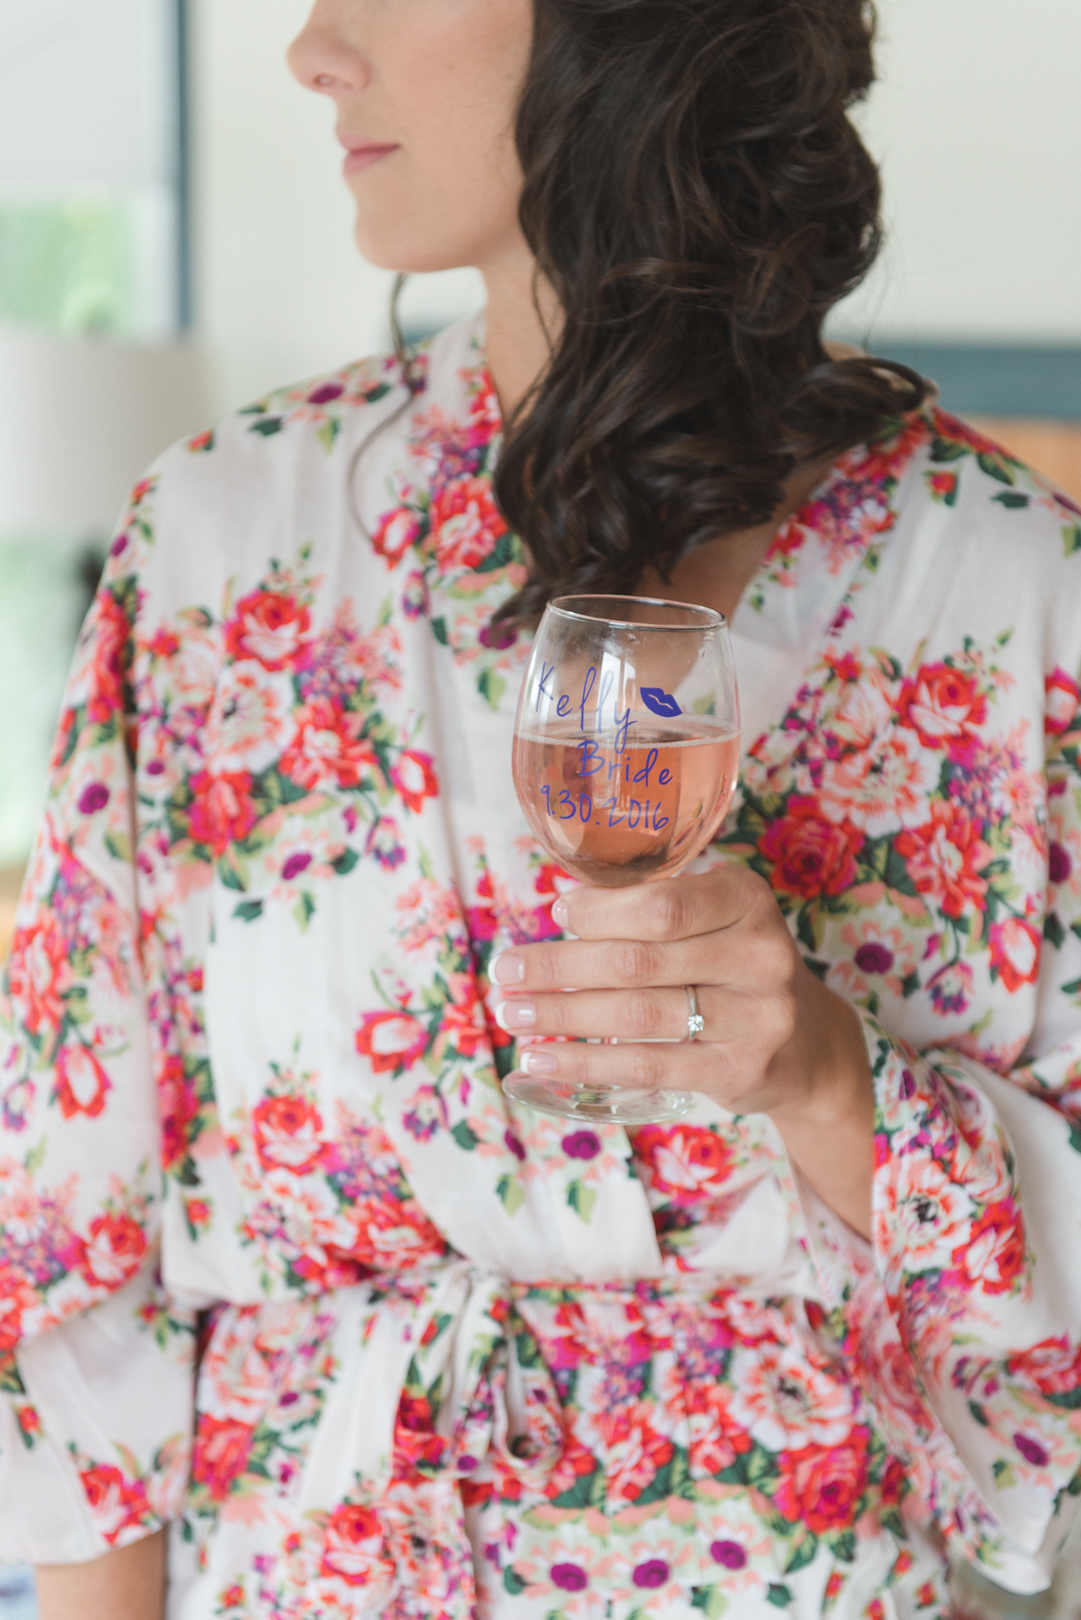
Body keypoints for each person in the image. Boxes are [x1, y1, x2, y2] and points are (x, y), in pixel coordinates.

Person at [3, 0, 1081, 1615]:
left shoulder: (999, 589)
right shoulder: (229, 546)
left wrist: (821, 1080)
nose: (313, 47)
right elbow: (76, 1257)